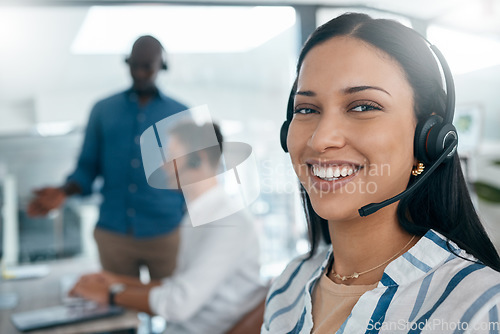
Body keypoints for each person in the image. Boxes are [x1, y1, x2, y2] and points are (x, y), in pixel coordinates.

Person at [262, 13, 500, 334]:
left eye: (362, 106)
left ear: (428, 139)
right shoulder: (288, 285)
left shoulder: (481, 308)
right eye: (306, 109)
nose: (320, 139)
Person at [70, 122, 267, 334]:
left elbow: (177, 304)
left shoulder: (229, 223)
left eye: (171, 157)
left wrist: (110, 294)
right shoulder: (196, 217)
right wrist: (116, 281)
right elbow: (177, 286)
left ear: (196, 159)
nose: (164, 166)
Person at [27, 35, 187, 280]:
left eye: (148, 66)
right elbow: (86, 167)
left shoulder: (183, 113)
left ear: (162, 66)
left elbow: (198, 176)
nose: (140, 73)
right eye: (134, 65)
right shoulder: (102, 109)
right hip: (114, 235)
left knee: (175, 311)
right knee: (119, 315)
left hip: (165, 233)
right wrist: (63, 192)